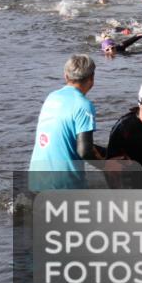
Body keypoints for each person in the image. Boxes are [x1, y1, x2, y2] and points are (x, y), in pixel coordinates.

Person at [28, 55, 104, 190]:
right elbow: (84, 151)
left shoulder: (51, 97)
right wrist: (108, 166)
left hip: (36, 179)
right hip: (64, 185)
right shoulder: (83, 105)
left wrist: (108, 153)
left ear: (66, 76)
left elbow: (68, 140)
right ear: (92, 78)